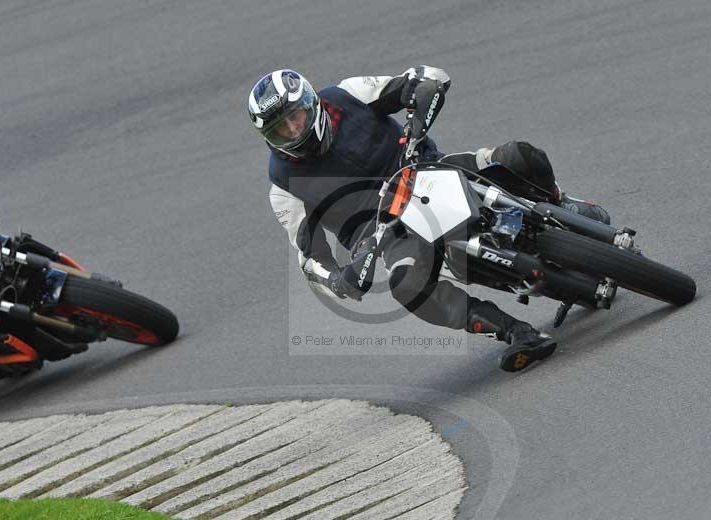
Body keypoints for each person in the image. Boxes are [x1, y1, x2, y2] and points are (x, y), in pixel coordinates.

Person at [247, 67, 610, 371]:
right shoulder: (283, 186)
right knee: (406, 286)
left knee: (517, 156)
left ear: (310, 103)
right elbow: (309, 258)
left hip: (425, 170)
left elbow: (427, 79)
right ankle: (515, 331)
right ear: (268, 136)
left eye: (295, 117)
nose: (293, 130)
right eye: (281, 128)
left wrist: (418, 114)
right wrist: (341, 280)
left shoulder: (347, 95)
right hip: (384, 232)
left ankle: (561, 203)